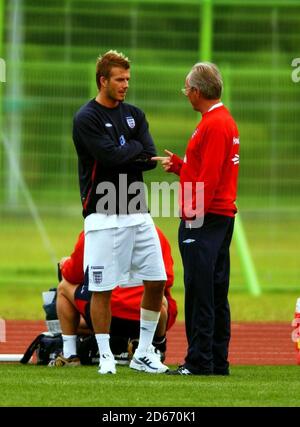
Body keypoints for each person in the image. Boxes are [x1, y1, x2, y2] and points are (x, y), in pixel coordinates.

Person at [72, 50, 168, 374]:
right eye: (119, 79)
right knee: (102, 288)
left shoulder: (135, 115)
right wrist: (132, 151)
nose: (125, 84)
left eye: (128, 79)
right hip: (102, 214)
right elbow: (110, 158)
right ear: (103, 80)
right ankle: (107, 358)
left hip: (137, 211)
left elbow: (149, 156)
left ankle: (142, 353)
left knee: (157, 280)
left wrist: (129, 152)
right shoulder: (86, 118)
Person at [153, 62, 239, 375]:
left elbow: (211, 177)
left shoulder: (214, 124)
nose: (186, 95)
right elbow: (206, 170)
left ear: (197, 91)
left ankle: (200, 360)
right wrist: (180, 166)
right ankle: (216, 360)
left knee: (200, 289)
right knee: (214, 289)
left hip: (205, 217)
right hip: (219, 215)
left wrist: (192, 215)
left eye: (187, 89)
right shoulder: (220, 120)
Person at [51, 226, 177, 367]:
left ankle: (70, 355)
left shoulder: (96, 226)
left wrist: (65, 264)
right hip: (146, 317)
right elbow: (167, 279)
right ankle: (157, 346)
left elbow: (73, 274)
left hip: (106, 316)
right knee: (162, 299)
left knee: (64, 287)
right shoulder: (153, 231)